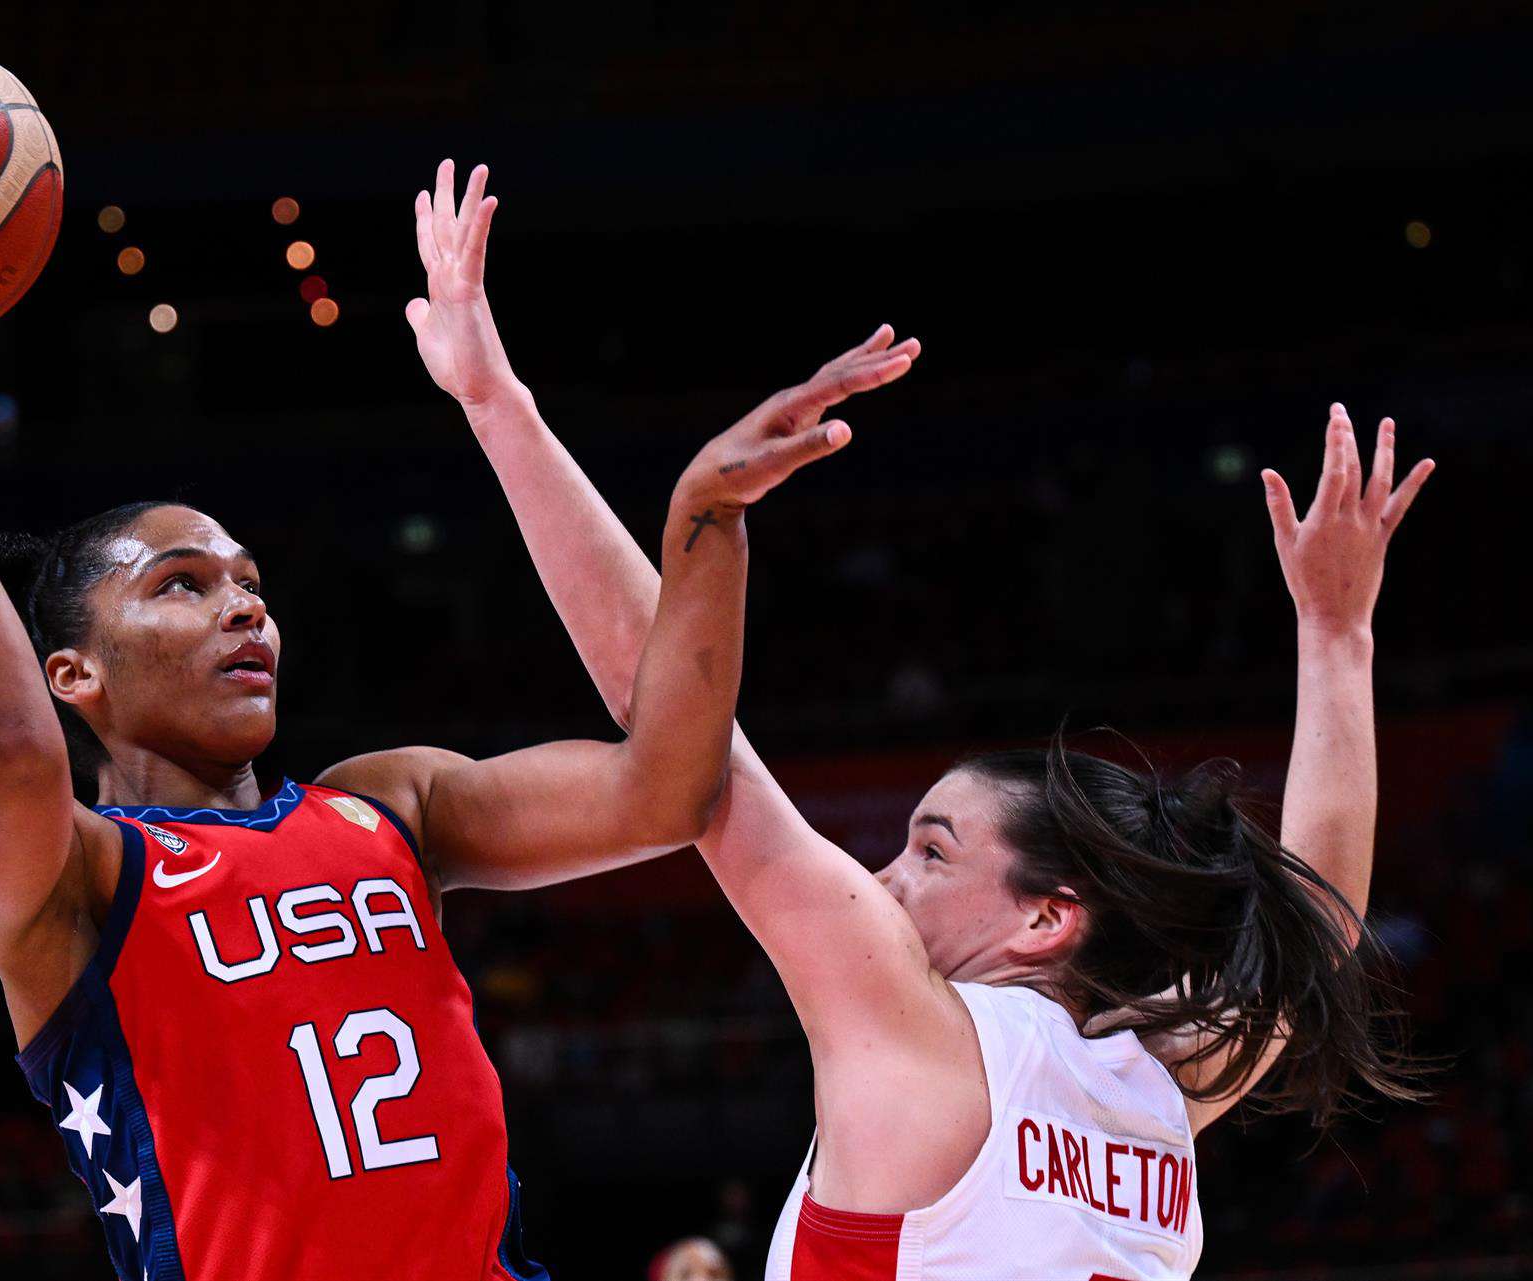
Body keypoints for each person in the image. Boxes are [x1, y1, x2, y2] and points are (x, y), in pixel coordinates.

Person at [0, 161, 852, 1281]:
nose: (244, 605)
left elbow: (667, 786)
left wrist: (700, 518)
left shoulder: (391, 803)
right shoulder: (73, 879)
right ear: (72, 673)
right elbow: (8, 746)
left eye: (250, 581)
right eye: (182, 584)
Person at [405, 164, 1434, 1280]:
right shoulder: (1161, 1089)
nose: (884, 878)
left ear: (1047, 920)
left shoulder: (913, 1025)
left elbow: (679, 740)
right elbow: (1317, 926)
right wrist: (1339, 639)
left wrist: (525, 422)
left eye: (932, 849)